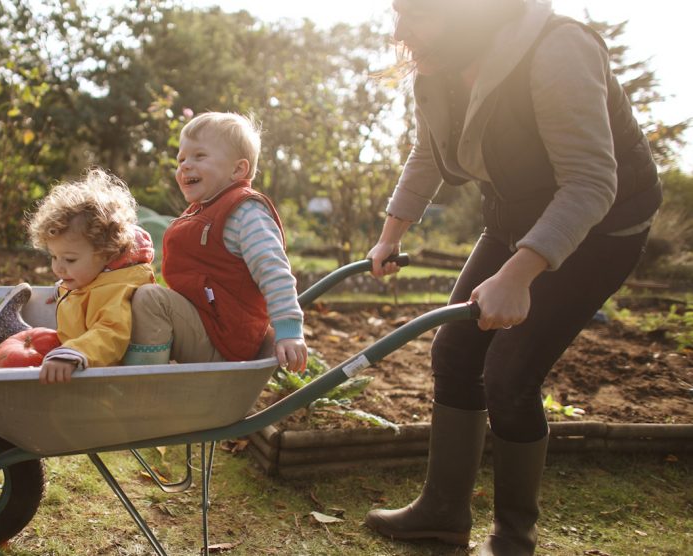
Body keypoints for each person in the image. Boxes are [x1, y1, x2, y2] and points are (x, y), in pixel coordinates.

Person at [363, 1, 662, 554]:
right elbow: (425, 154)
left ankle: (514, 535)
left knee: (509, 376)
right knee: (455, 354)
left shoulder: (558, 49)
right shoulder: (440, 66)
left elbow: (593, 184)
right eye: (397, 13)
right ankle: (444, 511)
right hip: (514, 214)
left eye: (416, 14)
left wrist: (520, 273)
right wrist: (391, 234)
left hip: (602, 226)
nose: (400, 33)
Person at [123, 112, 308, 372]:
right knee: (130, 294)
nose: (185, 165)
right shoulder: (203, 210)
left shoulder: (245, 213)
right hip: (207, 327)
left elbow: (273, 269)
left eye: (199, 156)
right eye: (181, 159)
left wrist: (289, 329)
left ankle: (142, 388)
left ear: (238, 169)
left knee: (150, 299)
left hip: (225, 342)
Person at [0, 169, 156, 383]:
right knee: (41, 343)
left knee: (42, 352)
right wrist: (66, 292)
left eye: (70, 260)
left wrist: (72, 354)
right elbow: (89, 294)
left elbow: (110, 334)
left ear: (106, 253)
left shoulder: (116, 292)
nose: (58, 268)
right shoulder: (93, 277)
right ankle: (8, 329)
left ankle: (8, 330)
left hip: (95, 367)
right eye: (54, 256)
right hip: (75, 347)